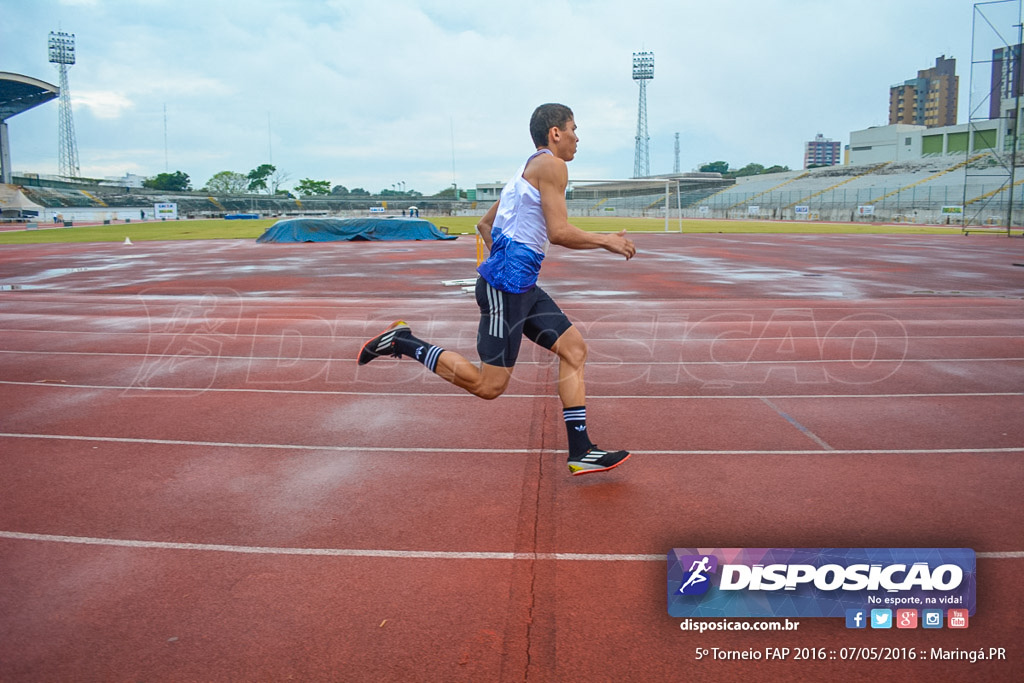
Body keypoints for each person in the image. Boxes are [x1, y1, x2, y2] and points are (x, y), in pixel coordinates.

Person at [358, 103, 636, 475]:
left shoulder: (523, 174)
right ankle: (402, 341)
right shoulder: (552, 165)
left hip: (520, 286)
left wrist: (508, 260)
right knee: (489, 386)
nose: (577, 137)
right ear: (555, 132)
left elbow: (484, 224)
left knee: (574, 349)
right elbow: (559, 232)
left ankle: (581, 450)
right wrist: (606, 241)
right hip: (507, 290)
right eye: (573, 128)